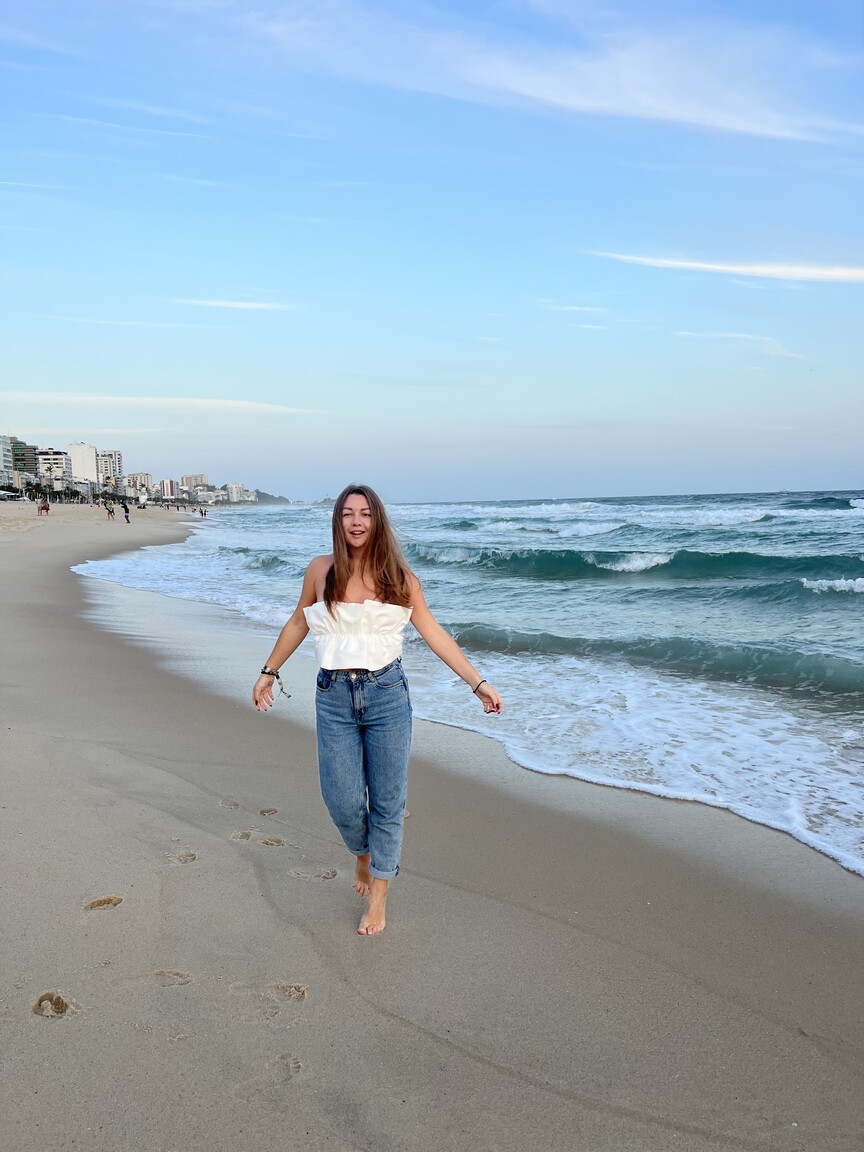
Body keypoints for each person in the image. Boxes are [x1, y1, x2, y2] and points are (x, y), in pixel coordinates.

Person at [252, 484, 503, 936]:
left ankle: (380, 897)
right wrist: (269, 670)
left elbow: (434, 633)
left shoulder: (400, 579)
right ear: (338, 521)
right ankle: (363, 854)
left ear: (377, 520)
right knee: (342, 801)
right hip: (332, 696)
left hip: (387, 694)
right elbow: (297, 622)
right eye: (348, 513)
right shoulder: (319, 571)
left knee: (387, 803)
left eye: (365, 514)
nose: (356, 521)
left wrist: (477, 683)